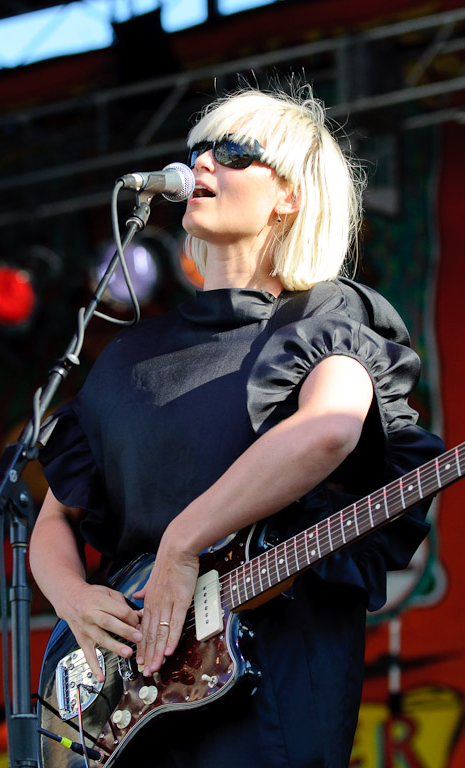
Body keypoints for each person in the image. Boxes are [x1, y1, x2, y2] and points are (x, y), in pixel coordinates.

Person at [30, 84, 444, 768]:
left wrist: (183, 543)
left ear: (290, 195)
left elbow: (330, 430)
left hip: (272, 685)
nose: (201, 164)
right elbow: (55, 519)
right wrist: (75, 600)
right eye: (197, 150)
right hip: (132, 709)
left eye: (233, 152)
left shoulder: (330, 318)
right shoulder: (127, 359)